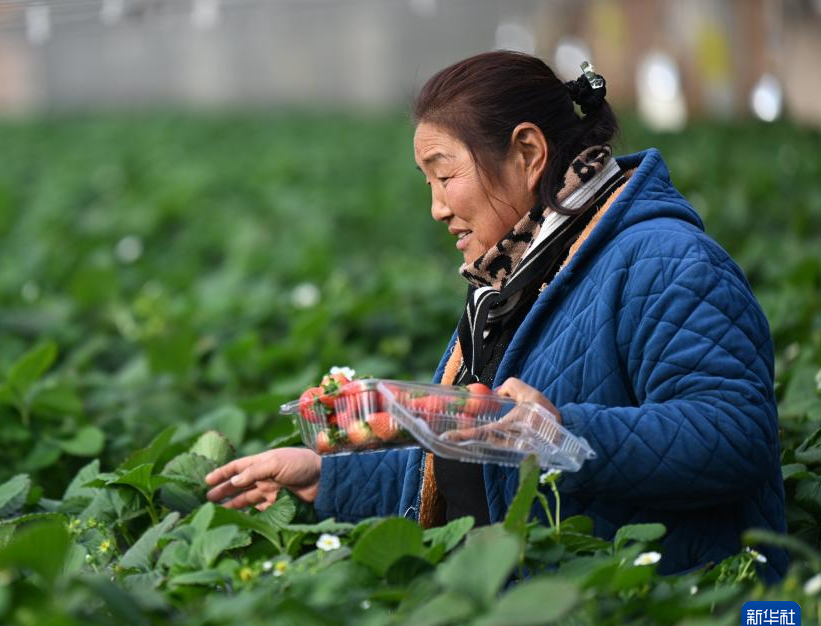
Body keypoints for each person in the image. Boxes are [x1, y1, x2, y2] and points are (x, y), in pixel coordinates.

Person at [204, 51, 788, 582]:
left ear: (528, 153)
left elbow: (738, 438)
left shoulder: (667, 259)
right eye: (427, 181)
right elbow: (471, 473)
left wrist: (559, 435)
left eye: (445, 174)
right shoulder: (508, 283)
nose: (436, 208)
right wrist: (322, 475)